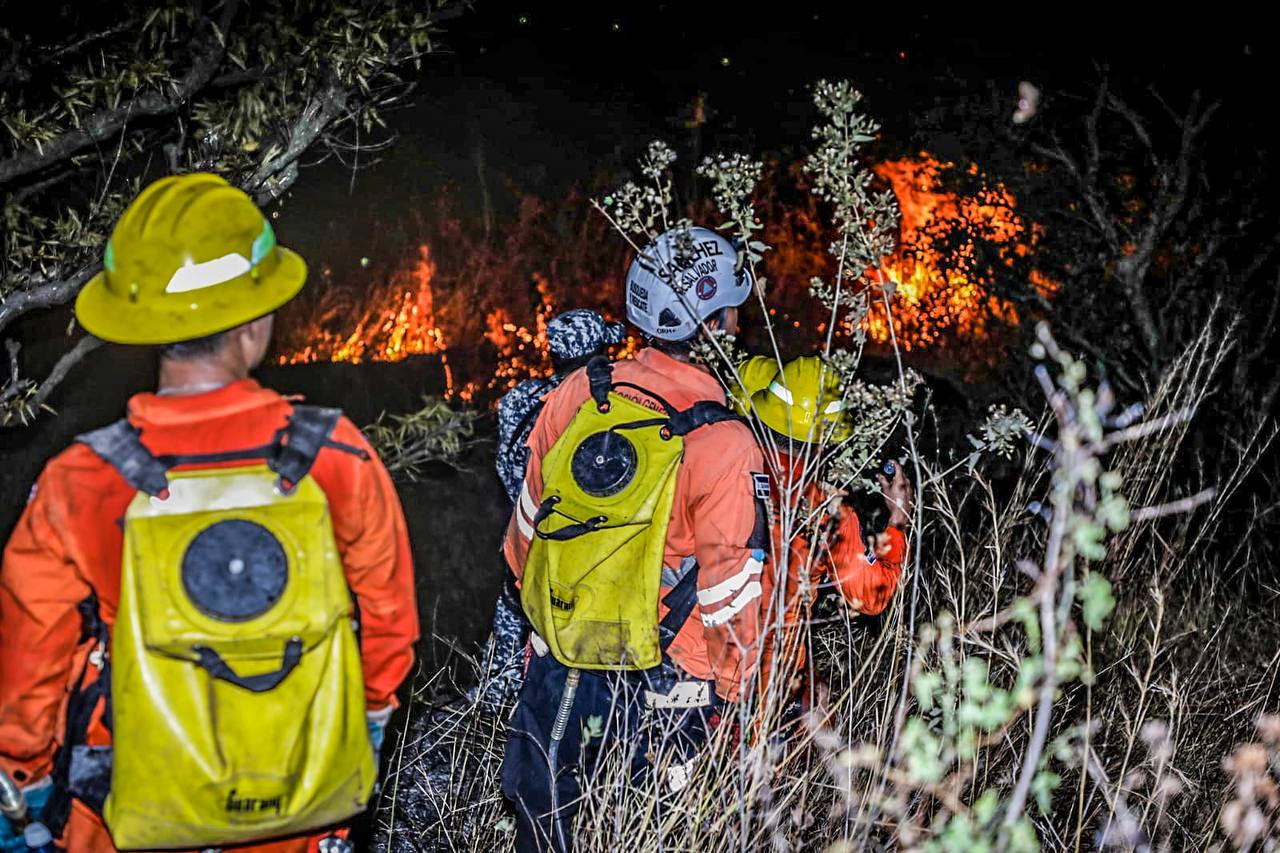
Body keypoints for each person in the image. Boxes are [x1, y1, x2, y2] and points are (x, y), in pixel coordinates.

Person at [0, 174, 418, 853]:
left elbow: (29, 665)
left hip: (129, 813)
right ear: (253, 325)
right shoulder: (337, 456)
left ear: (144, 327)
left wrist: (26, 789)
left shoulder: (81, 483)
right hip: (298, 808)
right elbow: (388, 628)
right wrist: (359, 736)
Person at [500, 225, 770, 852]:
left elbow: (525, 531)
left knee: (549, 826)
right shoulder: (726, 443)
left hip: (561, 662)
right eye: (734, 311)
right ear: (716, 321)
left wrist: (551, 623)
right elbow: (730, 596)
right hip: (667, 688)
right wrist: (740, 701)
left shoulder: (580, 391)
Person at [746, 356, 911, 706]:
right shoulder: (826, 509)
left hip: (691, 650)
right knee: (818, 708)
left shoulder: (724, 462)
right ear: (831, 441)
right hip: (768, 677)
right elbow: (870, 596)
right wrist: (897, 518)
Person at [483, 311, 627, 706]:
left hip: (521, 540)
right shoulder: (608, 406)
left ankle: (493, 711)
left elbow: (508, 470)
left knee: (511, 632)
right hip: (582, 555)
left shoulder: (518, 400)